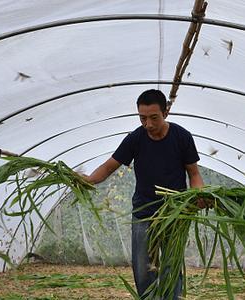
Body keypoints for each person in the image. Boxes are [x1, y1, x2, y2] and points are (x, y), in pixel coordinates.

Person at [82, 89, 204, 299]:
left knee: (170, 267)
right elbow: (110, 166)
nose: (148, 124)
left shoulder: (181, 136)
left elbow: (194, 174)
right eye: (143, 118)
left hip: (174, 214)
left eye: (153, 118)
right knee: (142, 268)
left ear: (165, 112)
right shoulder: (135, 139)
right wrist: (88, 180)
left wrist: (198, 195)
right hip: (143, 213)